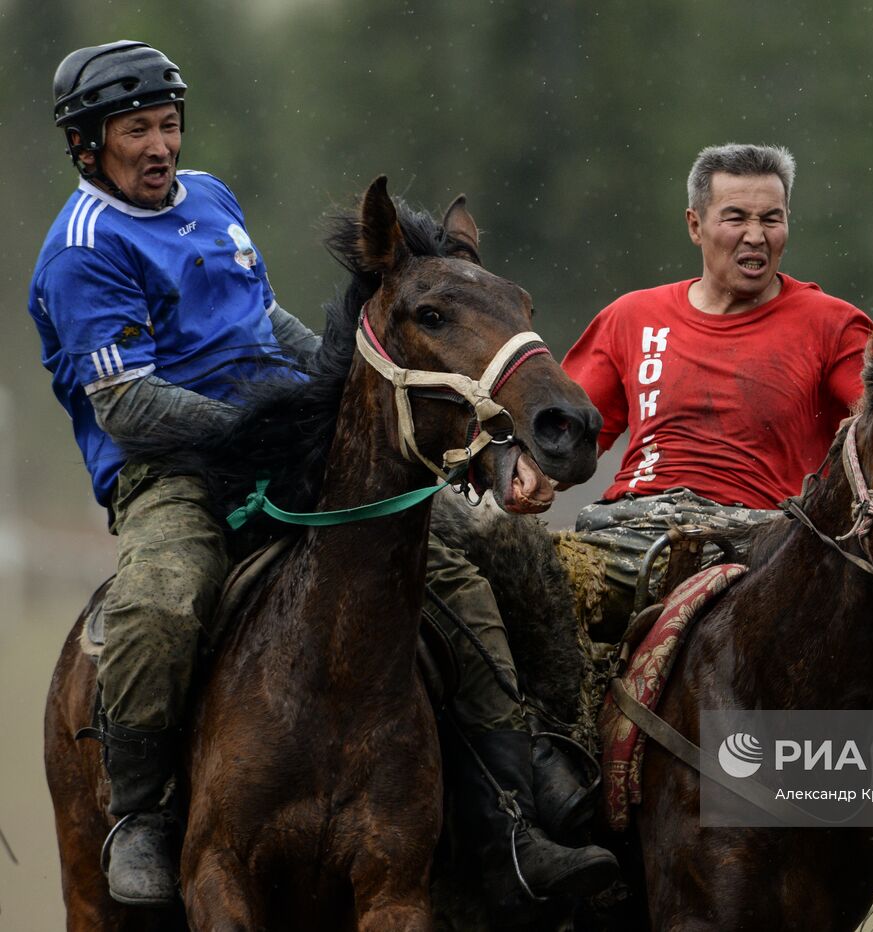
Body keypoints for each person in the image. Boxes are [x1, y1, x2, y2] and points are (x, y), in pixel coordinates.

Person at [31, 40, 614, 909]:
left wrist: (339, 386)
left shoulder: (211, 200)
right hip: (171, 471)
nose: (159, 147)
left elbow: (264, 320)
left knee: (464, 563)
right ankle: (142, 816)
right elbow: (128, 406)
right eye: (134, 131)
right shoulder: (83, 247)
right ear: (88, 147)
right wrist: (263, 431)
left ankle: (514, 812)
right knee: (160, 600)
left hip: (279, 436)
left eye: (167, 126)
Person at [557, 143, 873, 890]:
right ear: (696, 225)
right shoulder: (632, 318)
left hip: (759, 538)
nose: (755, 235)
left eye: (772, 218)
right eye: (736, 217)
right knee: (530, 597)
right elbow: (569, 434)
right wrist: (529, 473)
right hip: (626, 529)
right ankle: (537, 799)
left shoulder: (830, 324)